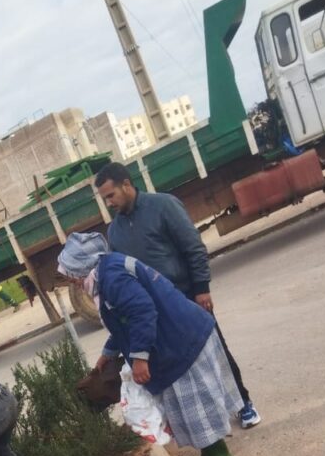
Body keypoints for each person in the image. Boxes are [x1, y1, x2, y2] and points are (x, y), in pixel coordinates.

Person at [57, 232, 242, 456]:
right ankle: (209, 453)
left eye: (72, 274)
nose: (73, 280)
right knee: (185, 405)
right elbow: (121, 320)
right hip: (176, 335)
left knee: (194, 403)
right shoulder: (107, 270)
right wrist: (108, 353)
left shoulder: (112, 279)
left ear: (83, 265)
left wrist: (140, 358)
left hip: (182, 339)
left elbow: (142, 313)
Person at [94, 161, 260, 430]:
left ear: (126, 184)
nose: (109, 203)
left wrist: (201, 288)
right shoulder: (115, 232)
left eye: (111, 195)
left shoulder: (163, 206)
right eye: (105, 199)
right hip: (155, 313)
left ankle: (244, 404)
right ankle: (211, 419)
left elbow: (193, 247)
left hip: (186, 300)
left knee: (215, 353)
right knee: (185, 368)